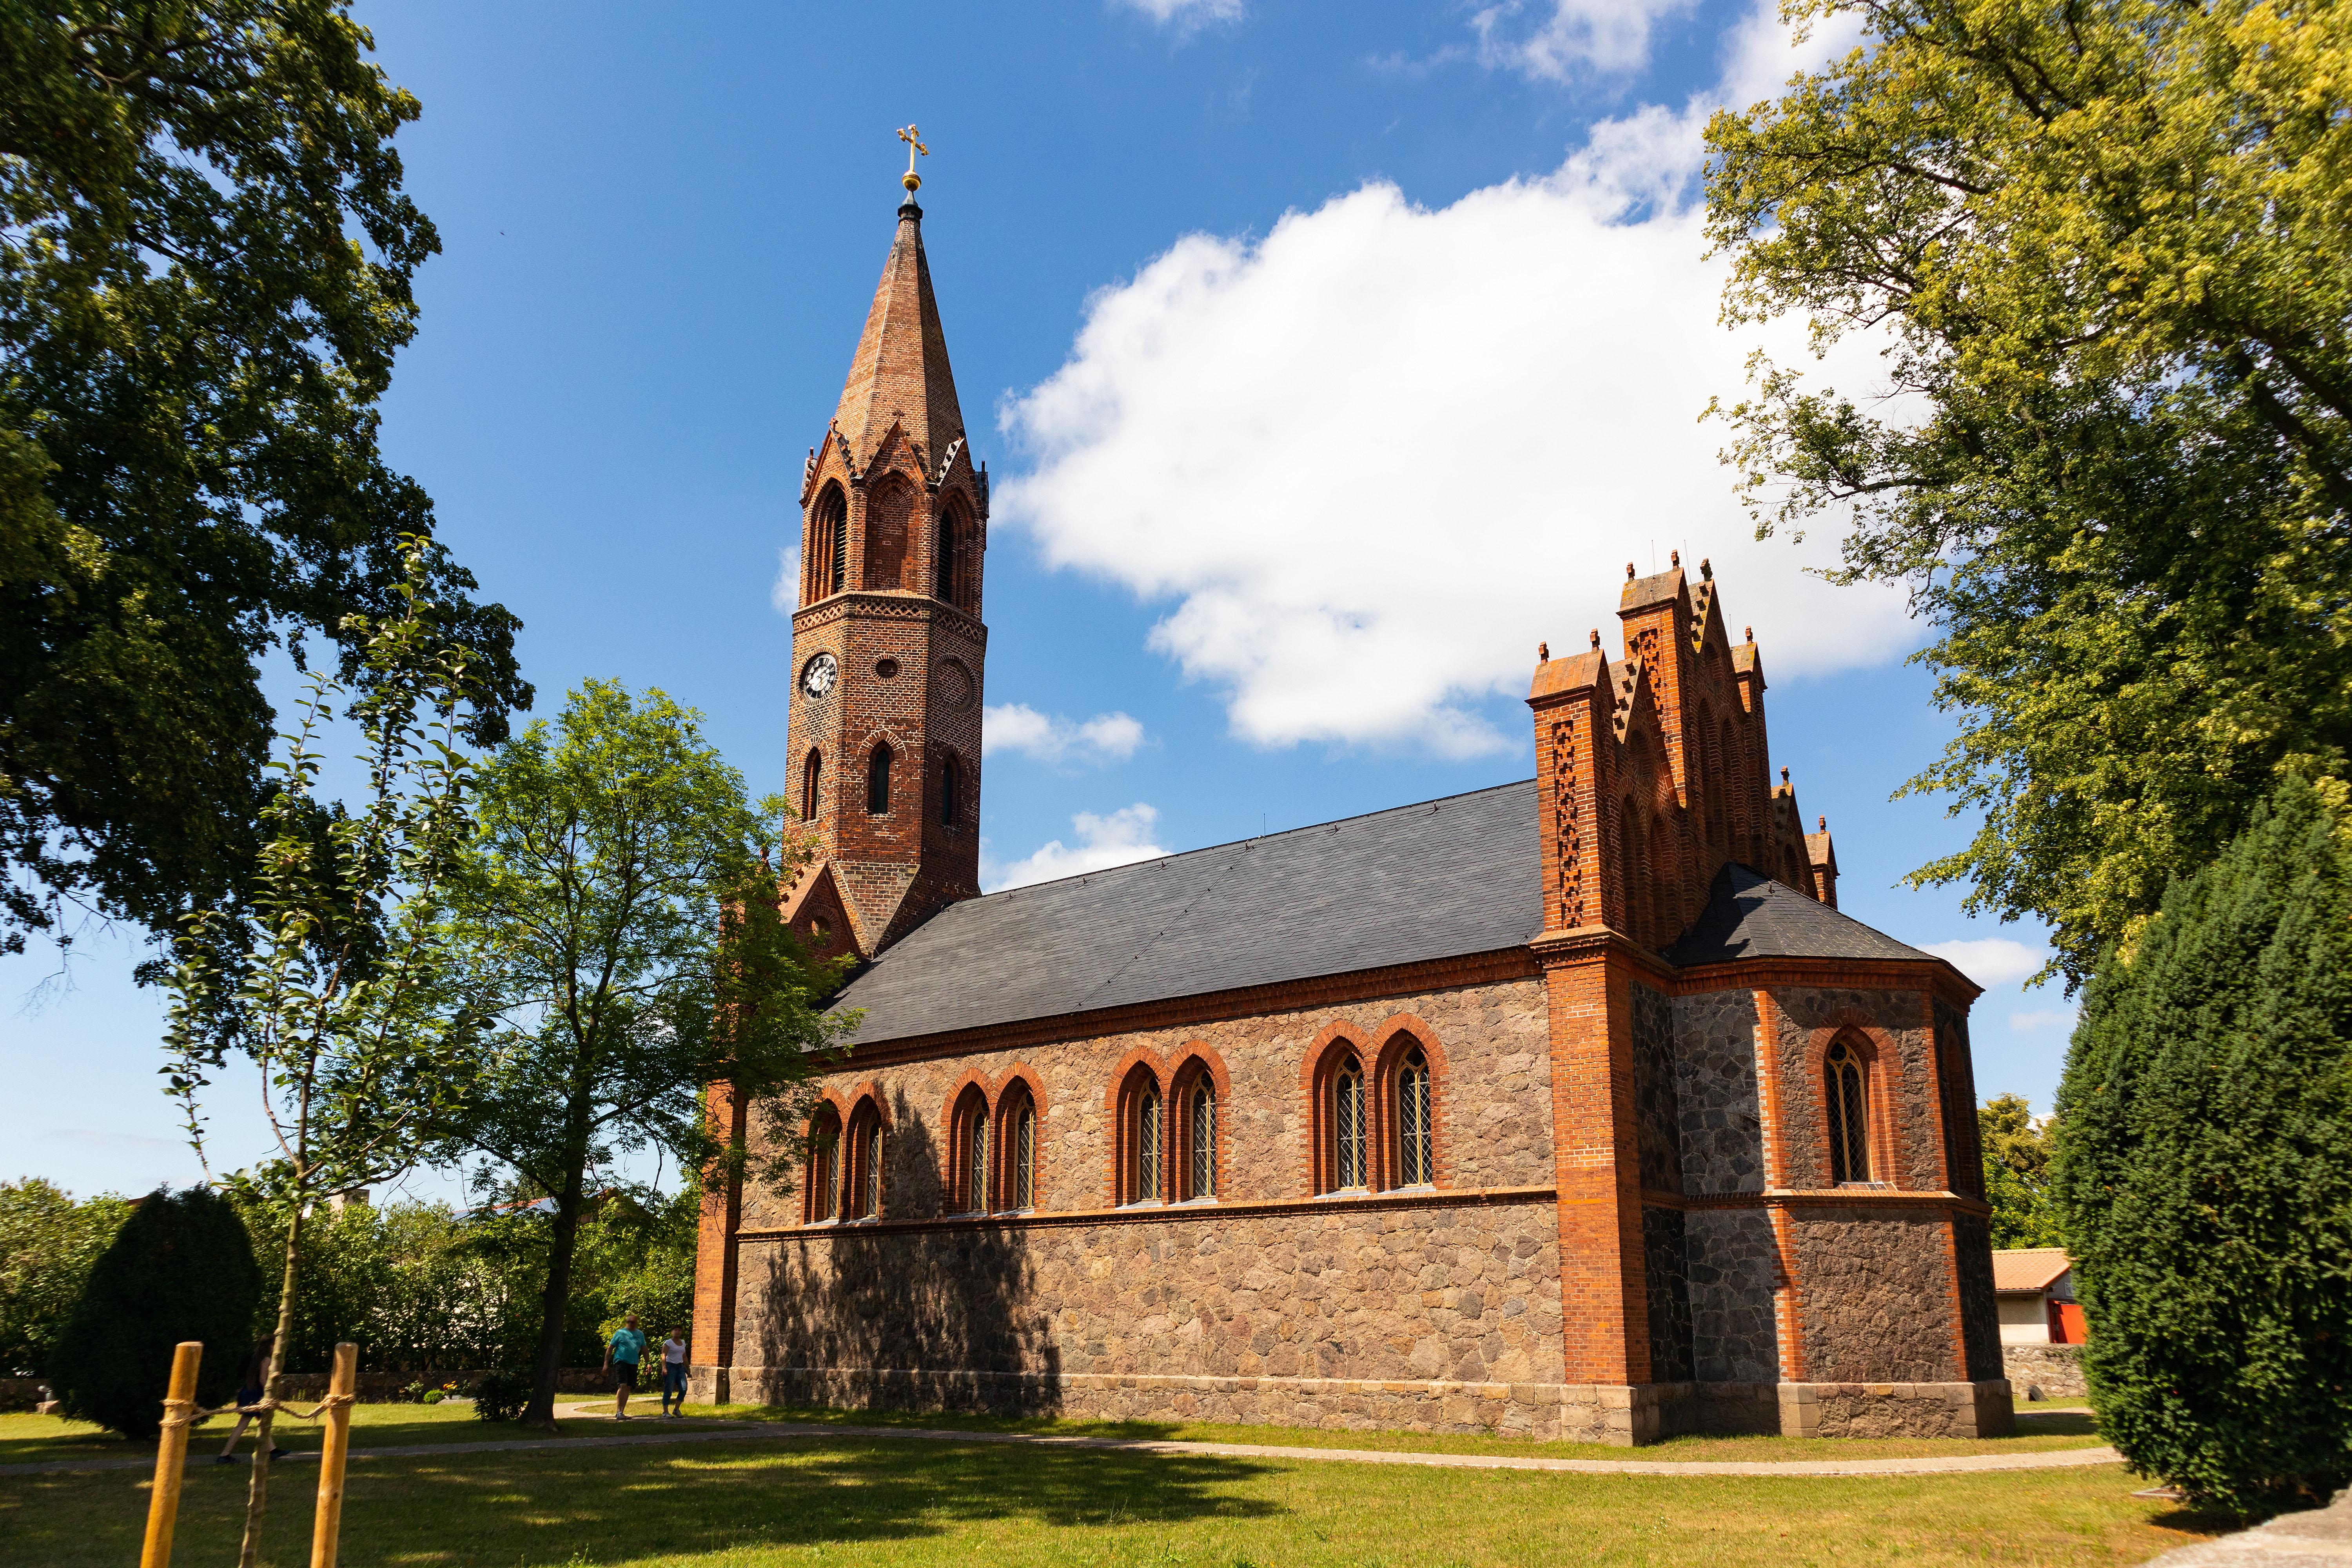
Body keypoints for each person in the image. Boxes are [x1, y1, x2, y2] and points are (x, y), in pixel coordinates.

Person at [214, 1333, 287, 1464]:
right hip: (254, 1395)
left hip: (248, 1393)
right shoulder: (266, 1360)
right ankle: (224, 1455)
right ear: (271, 1346)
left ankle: (273, 1451)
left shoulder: (256, 1357)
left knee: (262, 1421)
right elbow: (263, 1379)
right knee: (243, 1424)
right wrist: (270, 1394)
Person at [603, 1314, 648, 1420]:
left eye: (633, 1322)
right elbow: (610, 1349)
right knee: (623, 1385)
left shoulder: (640, 1334)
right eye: (629, 1322)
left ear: (636, 1323)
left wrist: (648, 1363)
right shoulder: (620, 1333)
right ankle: (618, 1412)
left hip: (634, 1363)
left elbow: (645, 1349)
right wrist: (606, 1364)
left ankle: (622, 1412)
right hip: (621, 1361)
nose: (631, 1324)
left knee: (628, 1387)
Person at [657, 1328, 689, 1418]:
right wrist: (664, 1368)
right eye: (675, 1330)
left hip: (680, 1367)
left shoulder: (683, 1342)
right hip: (670, 1367)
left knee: (684, 1388)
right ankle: (665, 1412)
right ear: (672, 1332)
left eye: (679, 1330)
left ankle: (676, 1410)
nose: (678, 1332)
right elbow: (664, 1356)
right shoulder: (668, 1343)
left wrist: (688, 1367)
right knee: (669, 1389)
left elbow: (684, 1357)